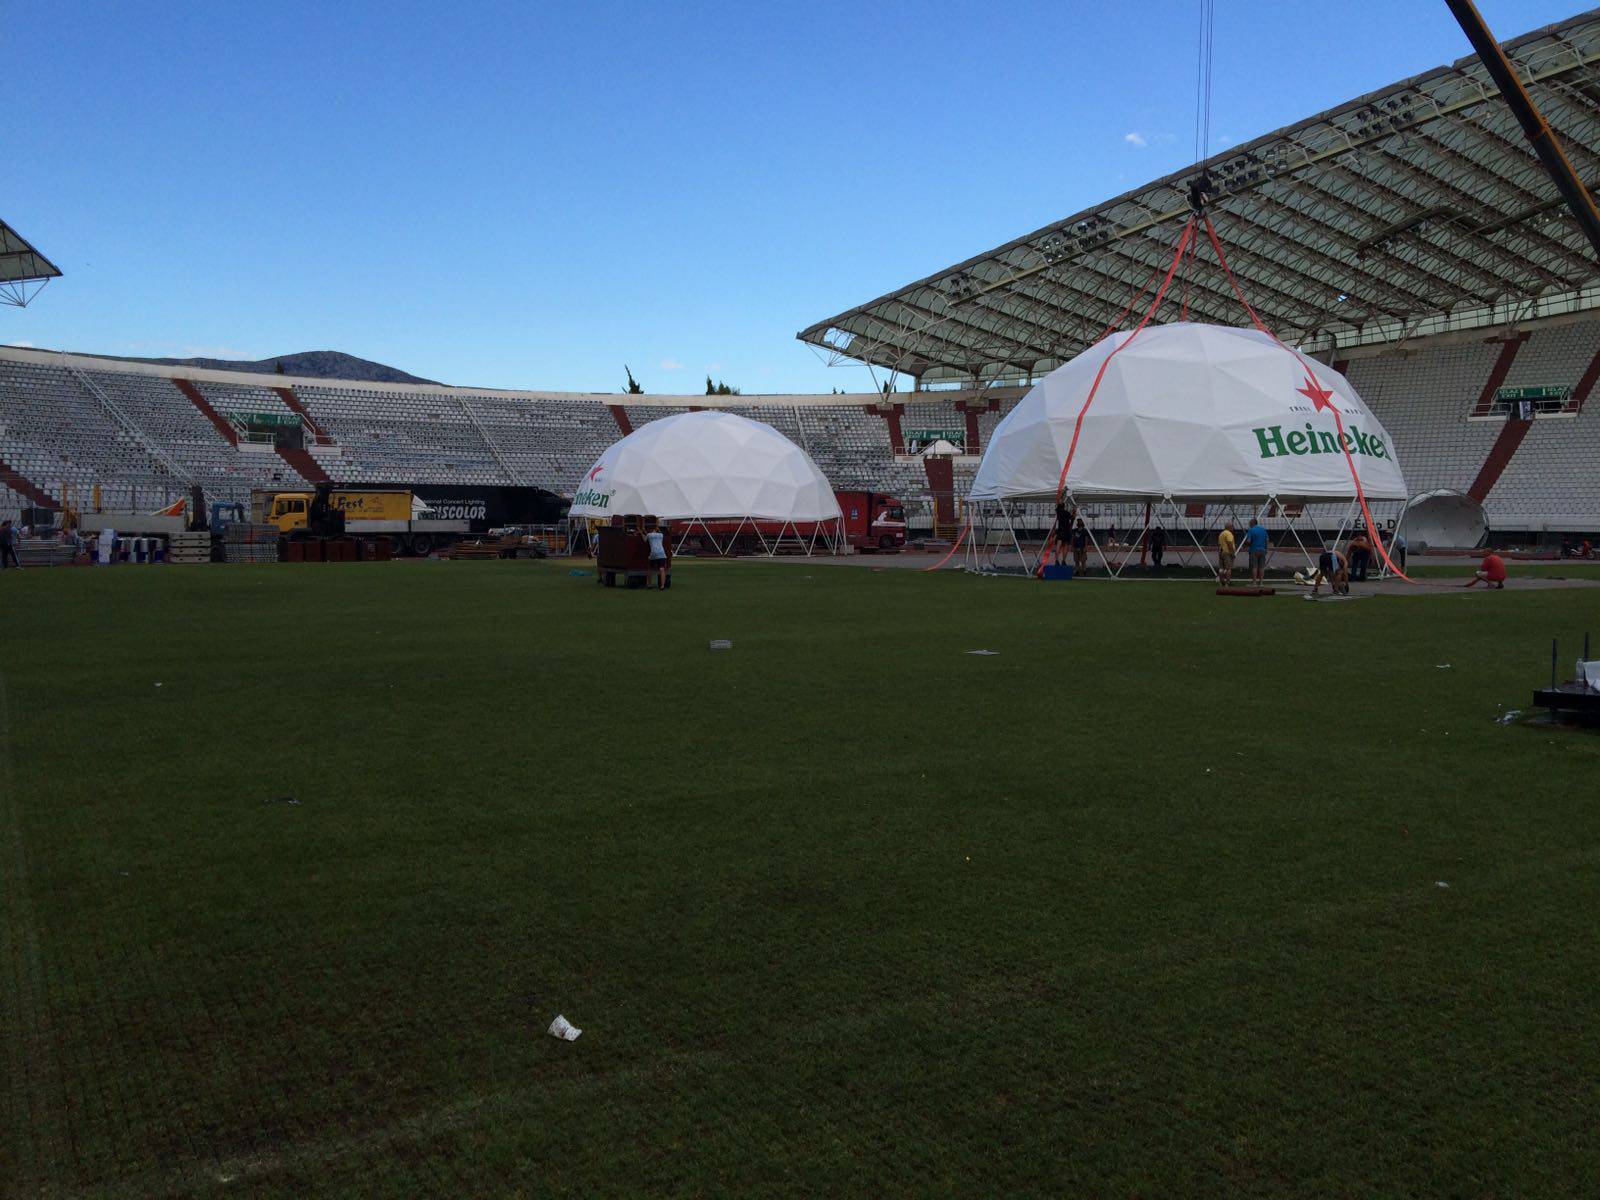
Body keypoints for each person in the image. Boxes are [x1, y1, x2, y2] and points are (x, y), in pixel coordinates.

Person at [1244, 517, 1270, 586]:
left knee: (1254, 567)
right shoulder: (1263, 530)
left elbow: (1249, 541)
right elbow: (1267, 540)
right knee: (1261, 567)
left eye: (1249, 523)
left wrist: (1245, 544)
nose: (1249, 524)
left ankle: (1254, 582)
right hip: (1262, 550)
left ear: (1252, 523)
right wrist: (1266, 548)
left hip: (1254, 550)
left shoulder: (1251, 530)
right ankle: (1261, 583)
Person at [646, 522, 669, 590]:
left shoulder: (649, 535)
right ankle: (662, 586)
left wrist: (641, 532)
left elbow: (644, 540)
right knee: (662, 569)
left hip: (653, 553)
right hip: (662, 553)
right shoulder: (661, 535)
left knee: (650, 569)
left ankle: (649, 584)